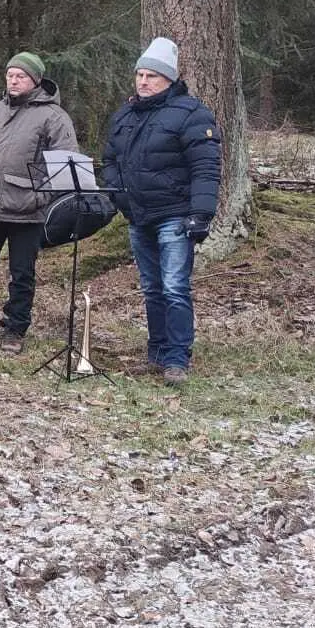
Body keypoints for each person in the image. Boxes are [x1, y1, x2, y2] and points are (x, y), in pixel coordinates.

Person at [101, 37, 220, 386]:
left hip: (175, 215)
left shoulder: (193, 113)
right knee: (152, 287)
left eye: (152, 76)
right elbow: (111, 158)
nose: (143, 82)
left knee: (174, 287)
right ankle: (155, 352)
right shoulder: (125, 114)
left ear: (169, 79)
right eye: (140, 74)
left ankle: (177, 359)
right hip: (138, 215)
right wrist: (120, 196)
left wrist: (201, 213)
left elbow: (206, 168)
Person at [0, 52, 79, 353]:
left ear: (35, 80)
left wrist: (39, 198)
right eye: (9, 75)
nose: (13, 80)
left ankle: (14, 331)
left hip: (28, 214)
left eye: (20, 75)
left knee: (22, 275)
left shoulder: (54, 117)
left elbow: (64, 166)